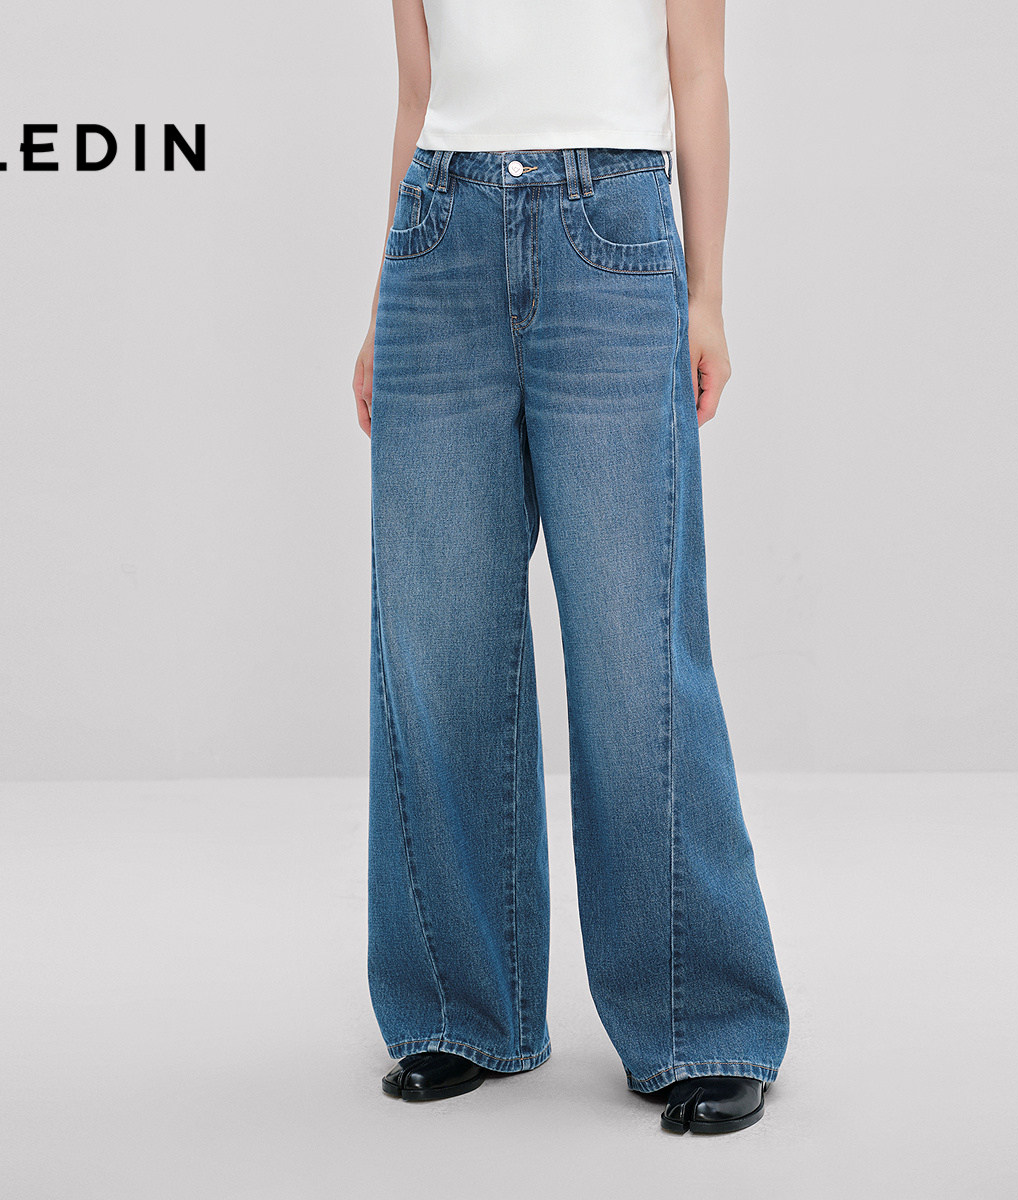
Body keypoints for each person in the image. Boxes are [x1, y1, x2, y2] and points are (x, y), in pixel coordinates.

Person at [352, 0, 790, 1135]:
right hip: (437, 238)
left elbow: (700, 73)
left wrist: (707, 293)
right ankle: (459, 1006)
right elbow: (419, 92)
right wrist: (383, 304)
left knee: (636, 655)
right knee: (436, 641)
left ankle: (699, 1019)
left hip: (614, 230)